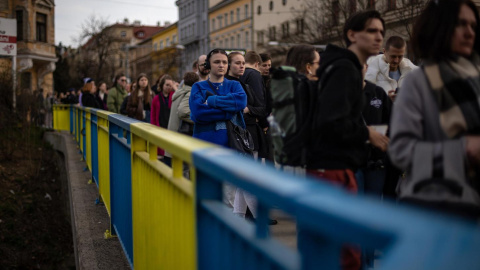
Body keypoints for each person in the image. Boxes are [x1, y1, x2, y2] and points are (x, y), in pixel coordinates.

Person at [307, 10, 388, 270]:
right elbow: (332, 120)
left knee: (336, 248)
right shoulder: (344, 68)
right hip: (332, 169)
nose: (379, 38)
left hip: (332, 167)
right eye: (372, 31)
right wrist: (369, 134)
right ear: (352, 34)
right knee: (344, 251)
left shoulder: (341, 65)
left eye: (382, 32)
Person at [389, 0, 480, 220]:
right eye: (460, 24)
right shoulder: (417, 82)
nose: (469, 32)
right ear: (439, 27)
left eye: (473, 26)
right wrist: (463, 150)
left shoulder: (476, 78)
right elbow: (400, 150)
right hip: (434, 209)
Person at [189, 48, 247, 147]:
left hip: (232, 145)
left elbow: (241, 102)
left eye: (224, 62)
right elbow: (198, 112)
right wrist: (230, 112)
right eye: (216, 62)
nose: (221, 65)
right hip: (204, 145)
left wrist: (212, 101)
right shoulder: (198, 87)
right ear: (208, 65)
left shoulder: (234, 85)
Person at [365, 36, 417, 101]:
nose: (396, 60)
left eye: (400, 56)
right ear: (384, 51)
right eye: (393, 56)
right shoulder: (371, 69)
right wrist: (386, 101)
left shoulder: (411, 70)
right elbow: (366, 98)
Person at [151, 74, 177, 159]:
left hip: (171, 130)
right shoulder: (156, 98)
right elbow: (153, 116)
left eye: (170, 85)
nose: (169, 87)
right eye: (167, 85)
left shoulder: (174, 96)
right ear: (162, 85)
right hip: (160, 130)